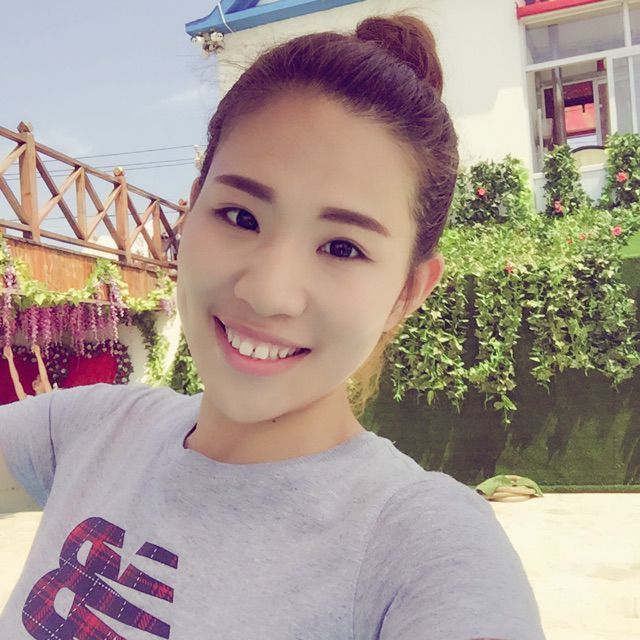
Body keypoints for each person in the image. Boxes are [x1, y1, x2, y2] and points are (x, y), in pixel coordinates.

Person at [0, 13, 546, 639]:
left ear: (407, 293)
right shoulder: (90, 430)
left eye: (342, 248)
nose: (267, 292)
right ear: (192, 209)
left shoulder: (423, 551)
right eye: (240, 216)